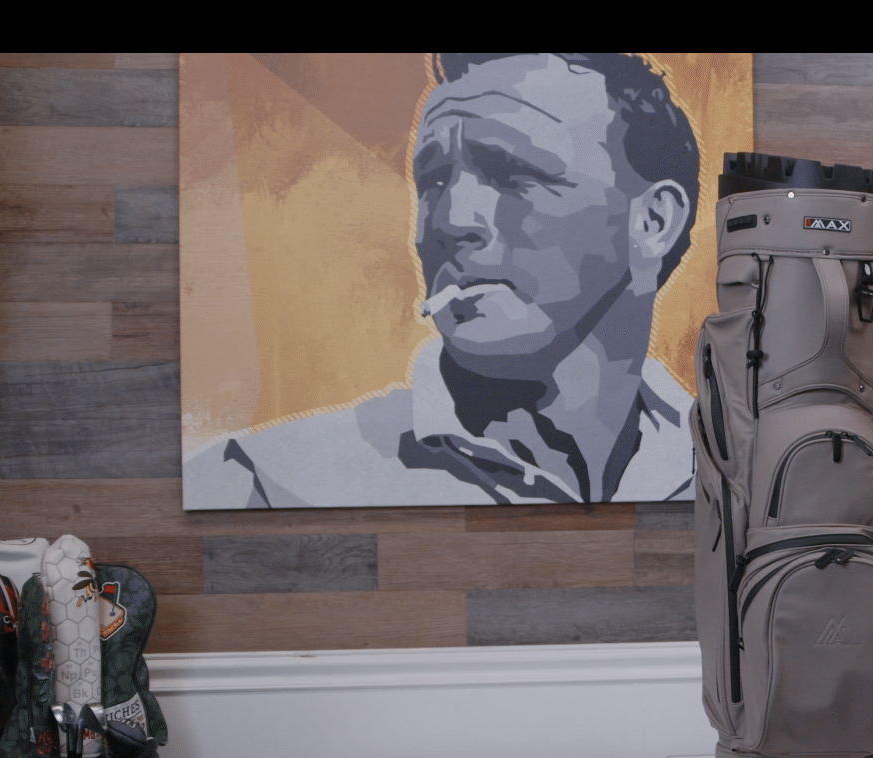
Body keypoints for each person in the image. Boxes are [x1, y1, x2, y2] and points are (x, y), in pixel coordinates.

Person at [184, 53, 700, 507]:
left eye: (512, 172)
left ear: (652, 223)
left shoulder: (732, 475)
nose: (451, 219)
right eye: (433, 179)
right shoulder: (260, 484)